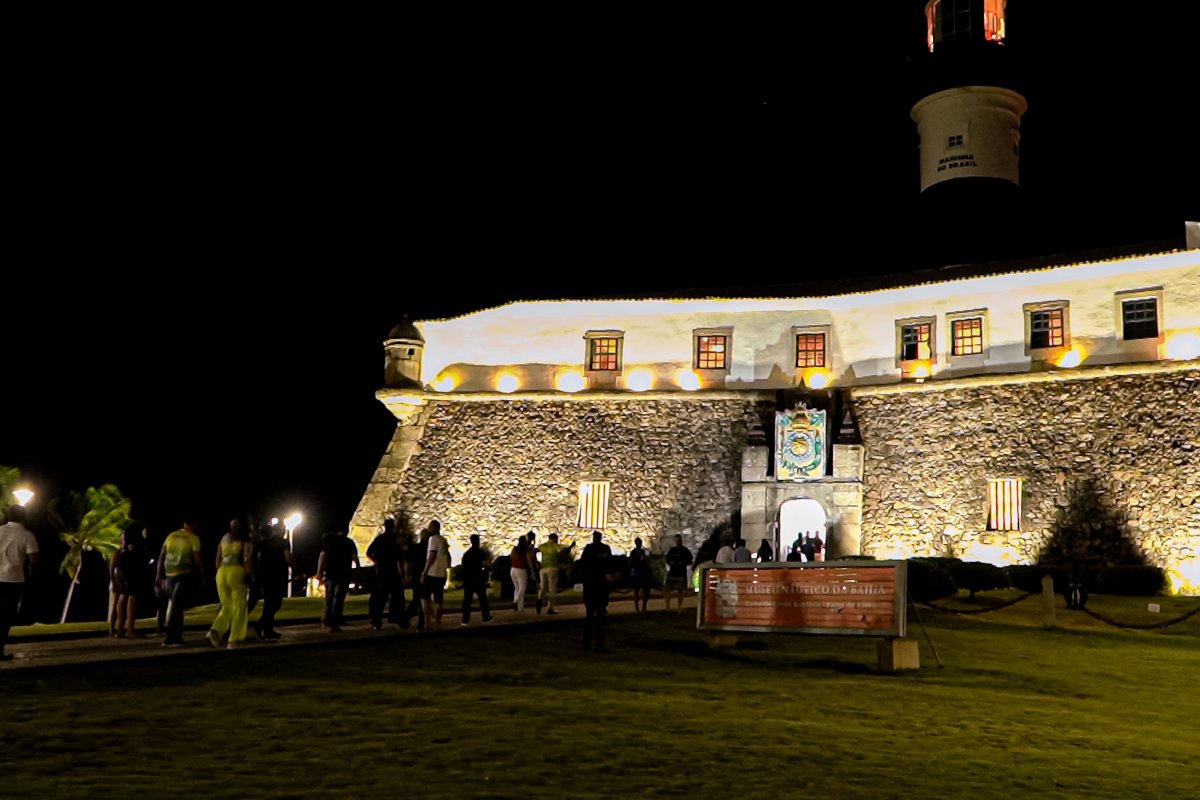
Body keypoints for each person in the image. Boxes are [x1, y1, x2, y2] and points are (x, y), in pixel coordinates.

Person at [155, 516, 206, 647]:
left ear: (184, 523)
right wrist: (202, 577)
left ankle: (175, 635)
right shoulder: (193, 538)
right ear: (194, 524)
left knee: (176, 604)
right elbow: (197, 560)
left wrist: (158, 576)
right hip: (183, 574)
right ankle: (172, 637)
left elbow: (161, 557)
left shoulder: (171, 536)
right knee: (177, 606)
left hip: (169, 574)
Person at [206, 517, 253, 649]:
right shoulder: (245, 542)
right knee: (239, 606)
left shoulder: (224, 539)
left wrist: (221, 571)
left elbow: (217, 560)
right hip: (236, 572)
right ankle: (234, 639)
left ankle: (214, 631)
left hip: (221, 573)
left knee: (226, 605)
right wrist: (249, 575)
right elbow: (247, 561)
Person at [0, 505, 39, 661]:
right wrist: (31, 572)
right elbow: (34, 559)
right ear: (23, 517)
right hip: (13, 579)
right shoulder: (27, 535)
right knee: (6, 616)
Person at [250, 521, 293, 641]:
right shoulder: (283, 542)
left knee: (262, 604)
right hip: (277, 577)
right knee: (275, 604)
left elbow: (254, 561)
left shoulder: (260, 544)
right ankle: (261, 626)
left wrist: (254, 577)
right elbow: (288, 558)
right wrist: (297, 570)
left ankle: (268, 629)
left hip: (262, 577)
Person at [581, 530, 617, 653]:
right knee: (599, 617)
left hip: (592, 586)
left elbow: (583, 565)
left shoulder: (589, 550)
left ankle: (588, 643)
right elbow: (610, 565)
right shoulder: (604, 550)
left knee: (590, 616)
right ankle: (597, 644)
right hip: (599, 587)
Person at [110, 522, 149, 638]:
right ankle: (130, 629)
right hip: (131, 563)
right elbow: (137, 547)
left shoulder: (128, 530)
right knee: (132, 595)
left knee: (123, 595)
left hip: (123, 565)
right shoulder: (136, 530)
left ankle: (120, 629)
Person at [317, 529, 360, 633]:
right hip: (343, 573)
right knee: (338, 598)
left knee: (329, 597)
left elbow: (322, 556)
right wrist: (358, 572)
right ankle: (335, 622)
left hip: (330, 573)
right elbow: (355, 557)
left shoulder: (330, 541)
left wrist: (319, 572)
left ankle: (326, 619)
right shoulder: (349, 542)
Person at [367, 517, 404, 631]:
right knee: (397, 596)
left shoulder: (379, 539)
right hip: (392, 571)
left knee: (381, 597)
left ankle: (377, 621)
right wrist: (403, 573)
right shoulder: (395, 539)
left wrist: (376, 562)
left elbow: (368, 552)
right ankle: (396, 618)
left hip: (382, 571)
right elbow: (399, 558)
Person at [419, 519, 450, 631]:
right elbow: (448, 557)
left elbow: (432, 555)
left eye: (430, 527)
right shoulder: (444, 540)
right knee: (438, 599)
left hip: (432, 573)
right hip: (441, 573)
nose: (429, 529)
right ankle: (437, 622)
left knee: (424, 598)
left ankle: (428, 622)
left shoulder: (433, 539)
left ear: (435, 528)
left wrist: (425, 571)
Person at [459, 534, 493, 626]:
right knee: (483, 599)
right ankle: (485, 617)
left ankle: (465, 620)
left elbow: (463, 567)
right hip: (478, 578)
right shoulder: (480, 552)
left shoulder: (467, 554)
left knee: (467, 600)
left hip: (469, 579)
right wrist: (486, 572)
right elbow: (485, 564)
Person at [536, 533, 573, 615]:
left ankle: (539, 598)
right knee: (552, 589)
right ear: (555, 538)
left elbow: (536, 550)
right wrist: (571, 546)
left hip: (543, 568)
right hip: (552, 568)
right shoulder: (556, 546)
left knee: (543, 587)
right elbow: (563, 552)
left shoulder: (542, 546)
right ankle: (550, 608)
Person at [663, 534, 692, 613]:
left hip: (681, 573)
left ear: (681, 540)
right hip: (672, 573)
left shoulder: (685, 550)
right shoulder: (672, 550)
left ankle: (679, 607)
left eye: (679, 540)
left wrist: (682, 563)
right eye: (676, 540)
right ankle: (667, 606)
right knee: (667, 589)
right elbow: (667, 560)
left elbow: (690, 561)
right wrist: (671, 563)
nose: (678, 541)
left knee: (680, 591)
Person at [509, 536, 533, 614]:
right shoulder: (526, 551)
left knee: (517, 588)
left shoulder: (514, 549)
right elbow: (529, 562)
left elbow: (511, 557)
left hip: (513, 569)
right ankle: (516, 602)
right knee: (522, 588)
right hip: (521, 570)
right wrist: (532, 571)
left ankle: (520, 607)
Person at [628, 537, 652, 612]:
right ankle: (638, 608)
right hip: (637, 573)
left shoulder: (642, 552)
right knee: (637, 591)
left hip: (641, 573)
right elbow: (631, 562)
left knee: (643, 591)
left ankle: (642, 607)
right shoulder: (634, 552)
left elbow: (648, 562)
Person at [525, 531, 541, 614]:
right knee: (535, 581)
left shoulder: (526, 546)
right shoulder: (530, 548)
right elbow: (531, 560)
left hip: (526, 566)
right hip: (530, 566)